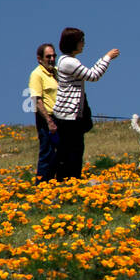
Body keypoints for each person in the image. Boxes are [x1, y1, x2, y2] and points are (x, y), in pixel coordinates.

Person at [53, 27, 119, 180]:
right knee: (72, 150)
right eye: (81, 41)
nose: (84, 44)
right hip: (68, 116)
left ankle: (68, 179)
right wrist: (107, 58)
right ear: (73, 43)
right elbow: (93, 75)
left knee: (71, 149)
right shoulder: (69, 62)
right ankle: (69, 180)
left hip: (68, 114)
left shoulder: (66, 61)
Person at [28, 43, 60, 182]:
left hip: (60, 117)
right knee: (47, 153)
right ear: (39, 59)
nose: (52, 59)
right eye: (48, 56)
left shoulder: (57, 72)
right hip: (47, 119)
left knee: (59, 153)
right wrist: (49, 121)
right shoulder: (37, 75)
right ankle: (41, 184)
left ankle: (53, 181)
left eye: (54, 56)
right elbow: (37, 100)